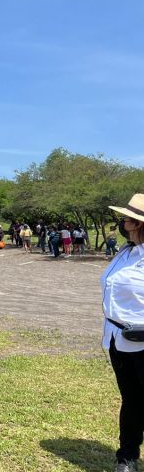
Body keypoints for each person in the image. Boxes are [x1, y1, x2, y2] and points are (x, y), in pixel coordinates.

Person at [101, 194, 144, 472]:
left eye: (128, 217)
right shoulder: (125, 253)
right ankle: (127, 456)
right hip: (118, 339)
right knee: (131, 400)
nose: (123, 221)